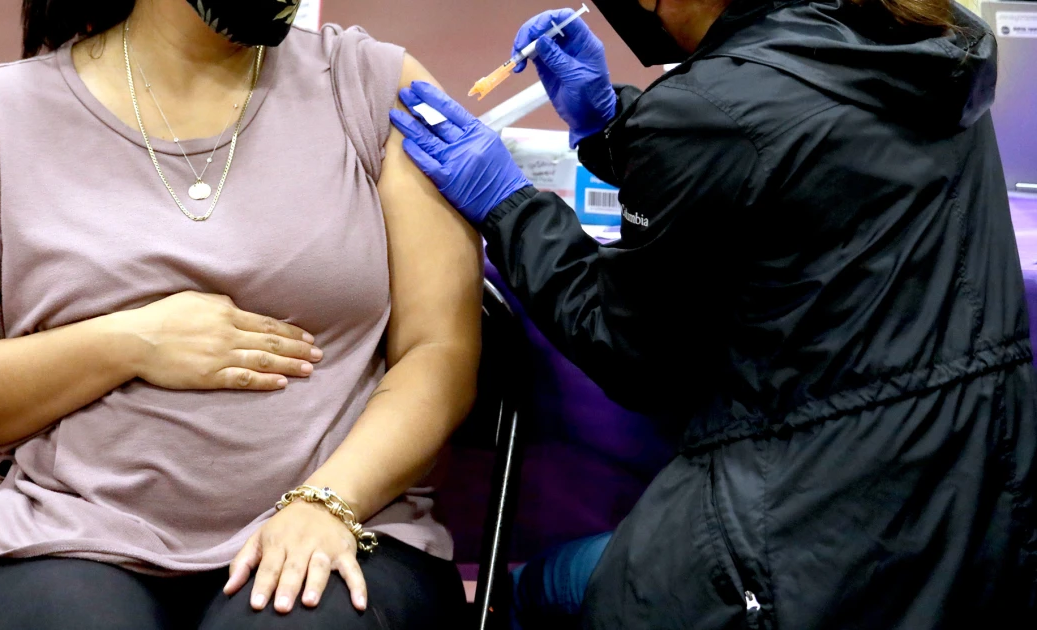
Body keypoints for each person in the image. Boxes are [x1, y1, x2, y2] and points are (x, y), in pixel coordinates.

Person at [391, 0, 1036, 627]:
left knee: (534, 590)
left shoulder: (712, 108)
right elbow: (792, 170)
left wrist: (508, 205)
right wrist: (610, 124)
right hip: (975, 508)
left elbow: (631, 354)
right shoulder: (916, 39)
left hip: (813, 541)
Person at [0, 0, 483, 628]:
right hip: (65, 528)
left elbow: (438, 352)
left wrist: (328, 501)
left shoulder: (377, 88)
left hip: (339, 523)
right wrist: (132, 342)